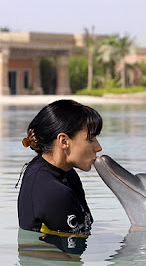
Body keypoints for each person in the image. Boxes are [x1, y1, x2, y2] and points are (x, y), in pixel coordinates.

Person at [17, 99, 103, 234]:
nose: (98, 148)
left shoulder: (67, 173)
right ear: (64, 141)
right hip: (53, 255)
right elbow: (72, 252)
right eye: (90, 139)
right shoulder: (53, 191)